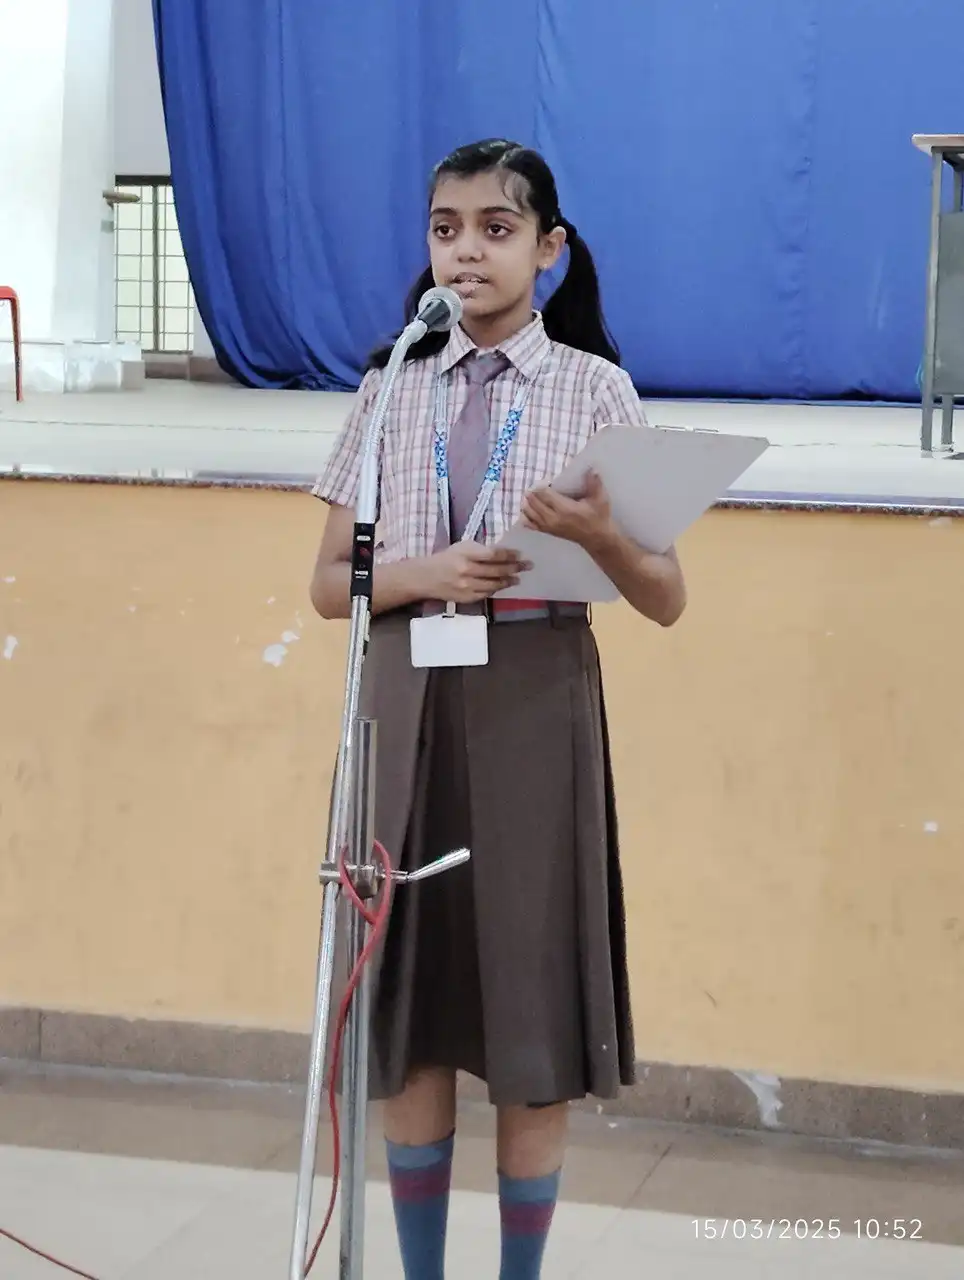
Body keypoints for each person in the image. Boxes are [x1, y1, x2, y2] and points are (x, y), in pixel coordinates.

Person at [310, 138, 686, 1280]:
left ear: (549, 249)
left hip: (534, 707)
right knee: (409, 1003)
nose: (465, 249)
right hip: (402, 703)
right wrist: (426, 574)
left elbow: (664, 597)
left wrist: (601, 537)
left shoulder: (594, 390)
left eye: (494, 227)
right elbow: (330, 585)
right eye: (444, 227)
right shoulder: (389, 388)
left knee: (527, 1010)